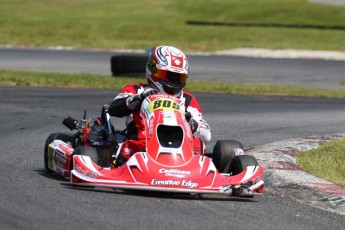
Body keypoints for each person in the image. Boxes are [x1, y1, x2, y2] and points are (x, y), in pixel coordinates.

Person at [108, 45, 211, 166]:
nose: (174, 82)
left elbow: (206, 135)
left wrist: (193, 124)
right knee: (121, 151)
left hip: (182, 151)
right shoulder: (137, 90)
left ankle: (192, 168)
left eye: (179, 77)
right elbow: (113, 109)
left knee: (199, 145)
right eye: (168, 75)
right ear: (153, 70)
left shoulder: (187, 99)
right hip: (141, 146)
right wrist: (134, 101)